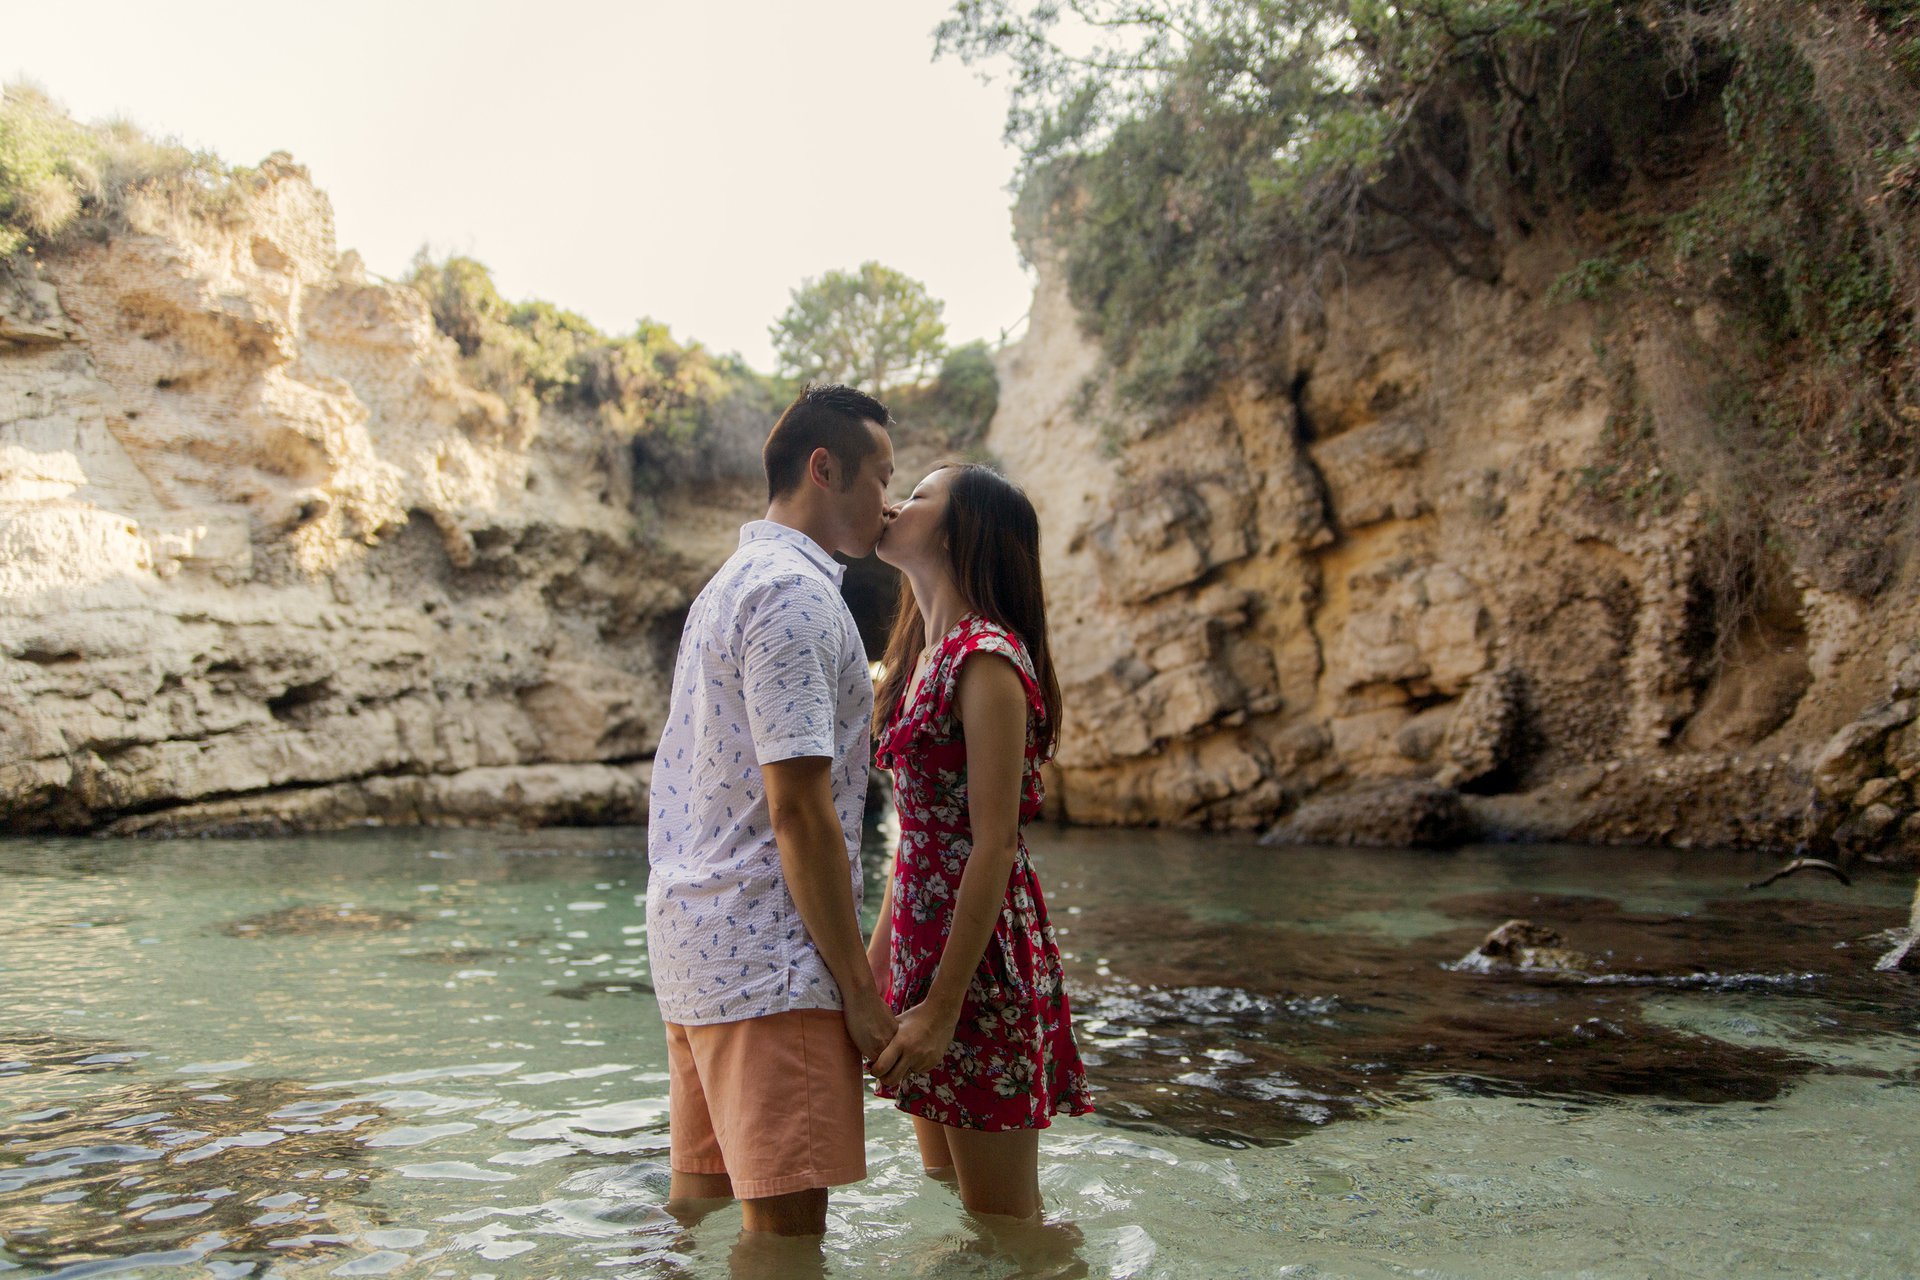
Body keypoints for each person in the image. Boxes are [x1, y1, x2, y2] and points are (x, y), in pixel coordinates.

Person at [645, 384, 898, 1242]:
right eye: (879, 477)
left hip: (697, 954)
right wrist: (861, 996)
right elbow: (800, 810)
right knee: (785, 1243)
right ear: (824, 469)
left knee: (697, 1218)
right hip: (771, 964)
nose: (888, 503)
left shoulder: (727, 586)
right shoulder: (794, 595)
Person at [866, 462, 1094, 1221]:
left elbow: (992, 845)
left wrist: (941, 1005)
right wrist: (873, 971)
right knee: (948, 1200)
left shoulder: (985, 658)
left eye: (920, 496)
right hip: (925, 951)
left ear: (962, 531)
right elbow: (920, 838)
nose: (896, 503)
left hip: (976, 968)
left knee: (1005, 1227)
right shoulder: (919, 660)